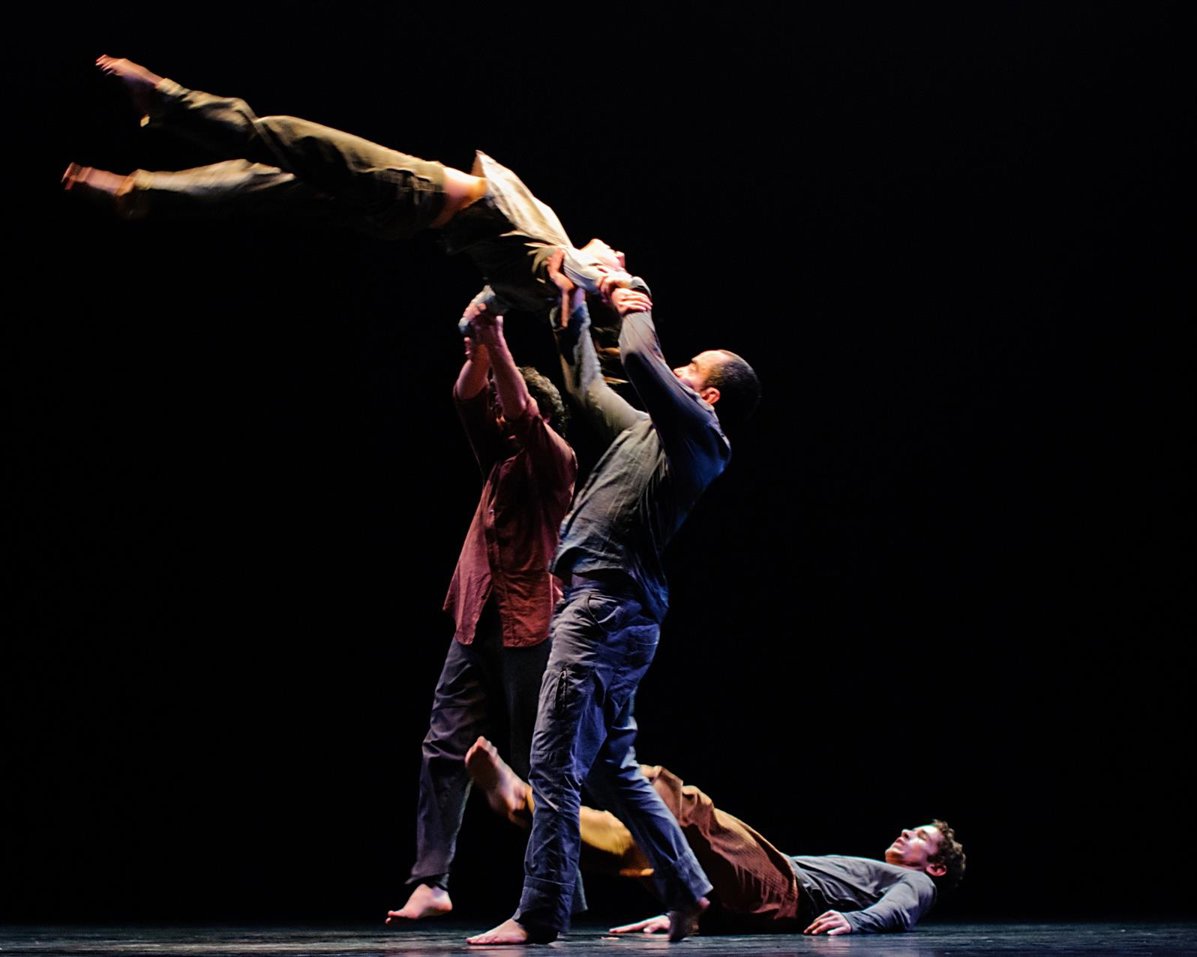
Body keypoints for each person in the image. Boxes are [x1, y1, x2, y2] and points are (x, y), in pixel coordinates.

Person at [465, 256, 762, 945]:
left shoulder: (701, 438)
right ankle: (686, 888)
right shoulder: (646, 432)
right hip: (612, 612)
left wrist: (636, 298)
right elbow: (588, 384)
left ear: (708, 395)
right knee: (611, 768)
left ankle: (540, 912)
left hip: (604, 610)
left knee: (552, 761)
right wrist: (571, 308)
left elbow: (638, 355)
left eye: (690, 367)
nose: (677, 368)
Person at [62, 55, 638, 325]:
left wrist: (610, 286)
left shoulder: (559, 264)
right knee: (261, 186)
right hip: (403, 217)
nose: (619, 253)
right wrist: (483, 324)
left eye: (619, 262)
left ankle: (164, 98)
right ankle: (140, 193)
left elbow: (575, 272)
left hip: (410, 190)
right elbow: (486, 306)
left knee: (285, 138)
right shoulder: (534, 285)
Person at [384, 300, 576, 923]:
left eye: (502, 404)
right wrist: (477, 354)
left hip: (534, 626)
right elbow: (465, 397)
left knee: (540, 761)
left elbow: (518, 411)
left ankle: (558, 887)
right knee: (443, 745)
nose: (492, 415)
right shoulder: (496, 460)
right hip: (476, 616)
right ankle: (431, 880)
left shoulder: (556, 461)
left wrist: (498, 345)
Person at [466, 736, 967, 936]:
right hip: (758, 898)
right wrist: (682, 916)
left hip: (784, 886)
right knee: (640, 845)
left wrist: (857, 922)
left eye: (920, 835)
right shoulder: (880, 871)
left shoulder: (918, 882)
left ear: (936, 865)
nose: (906, 831)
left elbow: (901, 909)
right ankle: (525, 804)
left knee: (689, 812)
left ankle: (567, 788)